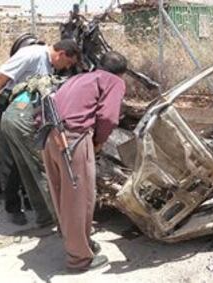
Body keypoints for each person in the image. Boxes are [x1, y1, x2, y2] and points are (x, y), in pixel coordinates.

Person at [42, 51, 127, 271]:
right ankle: (79, 259)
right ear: (121, 73)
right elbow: (108, 117)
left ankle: (76, 242)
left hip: (50, 137)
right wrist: (98, 143)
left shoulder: (79, 77)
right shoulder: (114, 81)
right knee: (80, 201)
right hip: (74, 140)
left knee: (62, 196)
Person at [0, 39, 80, 225]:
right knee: (10, 159)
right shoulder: (32, 54)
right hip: (9, 102)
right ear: (62, 54)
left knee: (27, 158)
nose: (66, 67)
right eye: (68, 63)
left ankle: (32, 202)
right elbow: (0, 76)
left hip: (28, 109)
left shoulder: (48, 63)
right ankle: (13, 207)